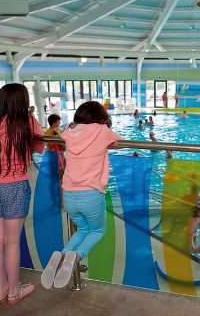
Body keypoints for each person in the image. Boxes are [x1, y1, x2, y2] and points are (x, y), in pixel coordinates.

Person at [41, 101, 121, 290]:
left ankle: (62, 255)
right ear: (101, 117)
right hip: (91, 194)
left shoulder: (70, 131)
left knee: (83, 229)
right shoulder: (102, 131)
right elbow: (117, 143)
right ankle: (76, 256)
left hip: (69, 195)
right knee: (97, 231)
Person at [0, 83, 44, 304]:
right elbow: (40, 147)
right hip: (15, 186)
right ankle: (14, 292)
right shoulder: (26, 122)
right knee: (11, 243)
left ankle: (2, 290)